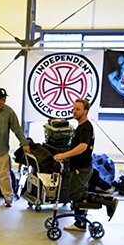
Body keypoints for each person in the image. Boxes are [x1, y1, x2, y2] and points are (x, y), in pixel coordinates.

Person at [52, 98, 94, 231]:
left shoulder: (86, 128)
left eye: (78, 109)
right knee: (77, 194)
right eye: (74, 108)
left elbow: (82, 147)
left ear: (86, 111)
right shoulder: (80, 127)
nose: (74, 111)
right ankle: (80, 222)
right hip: (78, 166)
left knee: (76, 194)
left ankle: (82, 222)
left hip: (82, 168)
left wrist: (64, 156)